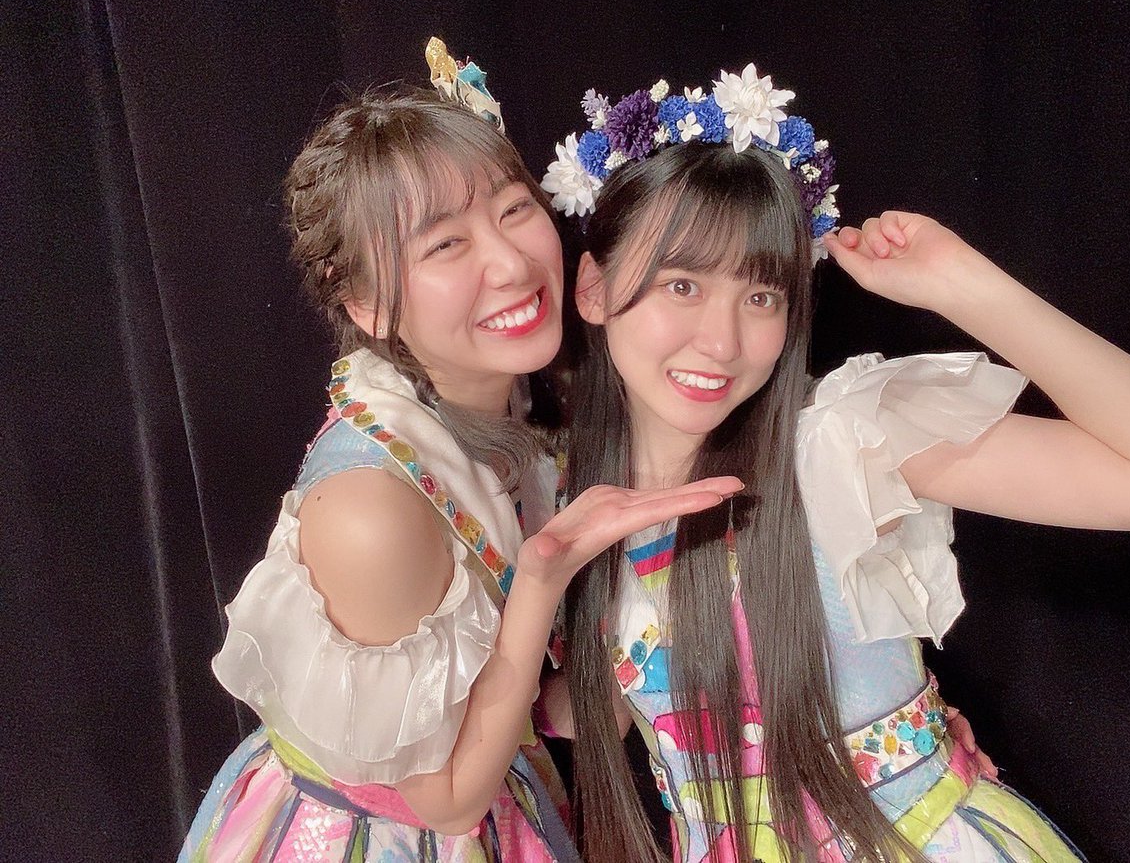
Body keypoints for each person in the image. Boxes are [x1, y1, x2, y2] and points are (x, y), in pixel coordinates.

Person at [541, 66, 1130, 861]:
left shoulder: (837, 444)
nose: (721, 341)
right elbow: (604, 708)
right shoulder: (567, 497)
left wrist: (964, 285)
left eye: (760, 297)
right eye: (682, 285)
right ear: (593, 288)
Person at [178, 47, 742, 862]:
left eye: (514, 209)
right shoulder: (371, 510)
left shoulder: (515, 404)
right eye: (445, 245)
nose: (511, 263)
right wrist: (544, 578)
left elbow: (526, 702)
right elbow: (446, 801)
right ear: (365, 302)